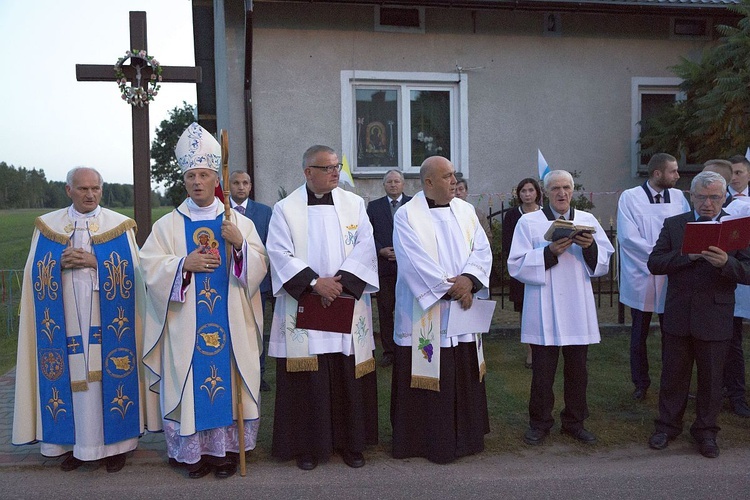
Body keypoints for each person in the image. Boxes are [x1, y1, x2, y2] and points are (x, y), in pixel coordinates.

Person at [140, 122, 268, 479]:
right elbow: (148, 268)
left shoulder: (234, 222)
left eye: (204, 175)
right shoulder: (167, 225)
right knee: (190, 381)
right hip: (185, 326)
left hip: (229, 323)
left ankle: (225, 453)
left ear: (216, 179)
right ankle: (192, 455)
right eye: (191, 176)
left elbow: (259, 266)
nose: (197, 181)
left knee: (226, 379)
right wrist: (183, 265)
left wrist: (239, 244)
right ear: (184, 181)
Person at [13, 166, 153, 473]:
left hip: (108, 318)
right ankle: (75, 446)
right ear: (69, 191)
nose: (90, 195)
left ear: (102, 190)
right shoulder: (48, 226)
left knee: (108, 374)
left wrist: (95, 260)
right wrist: (55, 263)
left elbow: (137, 272)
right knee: (70, 378)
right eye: (83, 189)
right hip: (62, 317)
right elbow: (31, 273)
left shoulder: (119, 225)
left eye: (95, 189)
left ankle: (116, 447)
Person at [267, 145, 379, 470]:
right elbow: (279, 253)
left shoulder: (354, 204)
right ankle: (308, 448)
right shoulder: (285, 209)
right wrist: (316, 284)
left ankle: (352, 444)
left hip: (344, 299)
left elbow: (366, 246)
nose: (335, 172)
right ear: (308, 172)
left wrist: (339, 284)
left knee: (347, 374)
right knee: (309, 378)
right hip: (306, 303)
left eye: (337, 166)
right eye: (328, 167)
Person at [390, 156, 491, 464]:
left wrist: (470, 280)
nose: (453, 181)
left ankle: (466, 438)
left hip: (462, 307)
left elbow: (482, 249)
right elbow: (412, 260)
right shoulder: (407, 215)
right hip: (427, 312)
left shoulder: (465, 210)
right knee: (429, 368)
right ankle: (424, 441)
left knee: (461, 368)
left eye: (454, 176)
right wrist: (452, 288)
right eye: (447, 176)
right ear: (429, 182)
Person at [647, 171, 750, 458]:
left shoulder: (737, 228)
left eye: (715, 197)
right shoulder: (675, 224)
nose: (708, 203)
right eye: (702, 197)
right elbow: (654, 263)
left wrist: (726, 263)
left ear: (724, 197)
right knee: (673, 376)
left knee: (712, 379)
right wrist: (687, 256)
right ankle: (667, 427)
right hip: (679, 313)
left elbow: (748, 271)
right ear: (691, 196)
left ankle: (706, 432)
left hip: (716, 316)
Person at [508, 170, 614, 446]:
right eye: (556, 188)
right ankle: (540, 422)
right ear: (546, 191)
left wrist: (589, 247)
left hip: (577, 302)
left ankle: (575, 422)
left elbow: (604, 260)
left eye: (567, 187)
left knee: (578, 368)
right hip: (544, 301)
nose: (562, 193)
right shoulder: (529, 222)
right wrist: (548, 253)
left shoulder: (587, 220)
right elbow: (516, 263)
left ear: (573, 190)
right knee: (543, 370)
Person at [617, 153, 690, 401]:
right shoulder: (630, 198)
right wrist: (657, 258)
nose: (678, 176)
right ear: (658, 173)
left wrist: (671, 262)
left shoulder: (679, 198)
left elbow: (688, 229)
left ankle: (673, 382)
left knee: (674, 333)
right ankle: (641, 382)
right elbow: (628, 237)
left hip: (672, 273)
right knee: (639, 333)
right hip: (642, 272)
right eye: (673, 171)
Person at [229, 169, 274, 392]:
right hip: (229, 282)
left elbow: (269, 246)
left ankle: (259, 372)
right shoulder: (221, 211)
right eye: (236, 182)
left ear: (250, 186)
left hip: (259, 281)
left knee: (256, 326)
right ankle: (232, 369)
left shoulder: (265, 212)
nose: (240, 187)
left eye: (245, 183)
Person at [367, 169, 412, 367]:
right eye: (389, 182)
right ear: (384, 185)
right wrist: (380, 250)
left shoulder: (414, 204)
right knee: (385, 311)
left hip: (409, 268)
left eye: (397, 181)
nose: (393, 185)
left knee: (409, 309)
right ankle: (389, 351)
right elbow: (367, 234)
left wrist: (403, 251)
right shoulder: (374, 207)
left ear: (403, 184)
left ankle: (408, 348)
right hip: (384, 267)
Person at [718, 155, 750, 418]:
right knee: (730, 340)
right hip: (727, 280)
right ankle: (729, 391)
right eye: (733, 173)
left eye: (740, 172)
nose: (735, 177)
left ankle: (738, 392)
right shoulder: (719, 202)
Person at [502, 177, 543, 369]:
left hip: (542, 267)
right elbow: (507, 243)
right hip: (521, 269)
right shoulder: (512, 215)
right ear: (518, 194)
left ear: (537, 193)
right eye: (523, 191)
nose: (527, 194)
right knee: (525, 311)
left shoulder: (544, 214)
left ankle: (543, 347)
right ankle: (530, 350)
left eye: (530, 190)